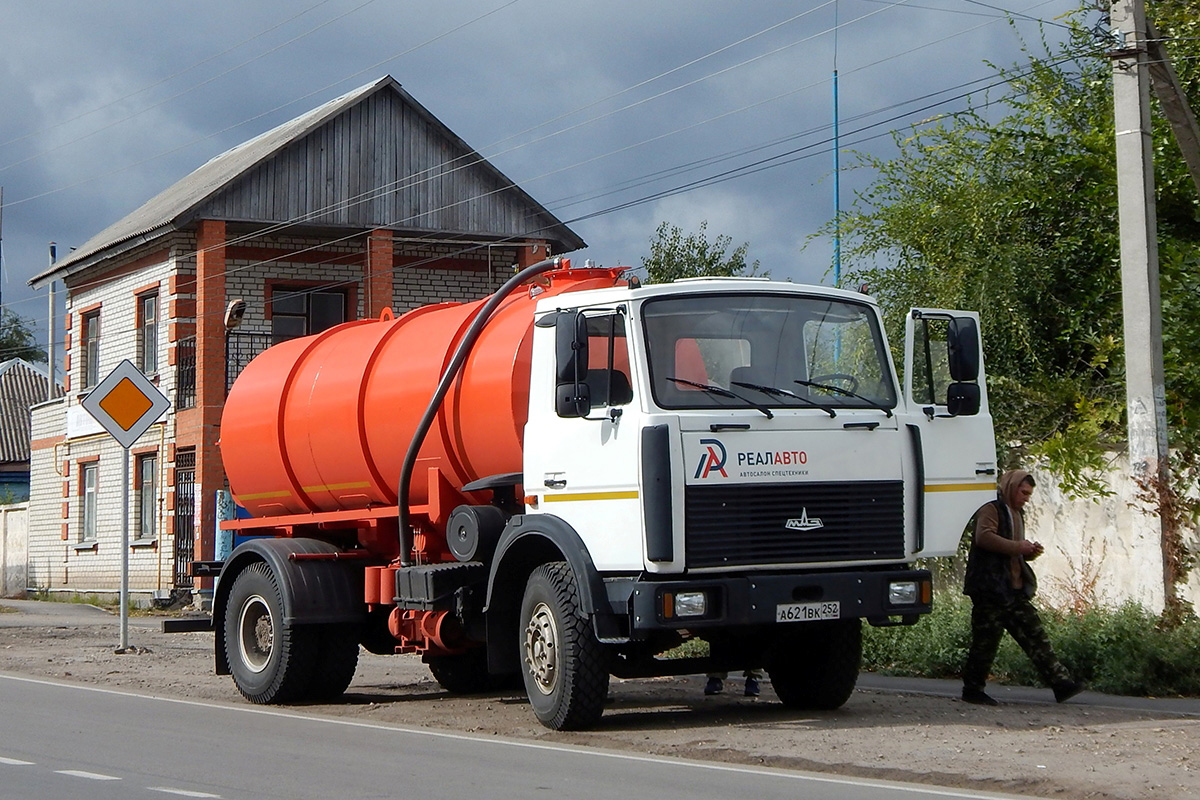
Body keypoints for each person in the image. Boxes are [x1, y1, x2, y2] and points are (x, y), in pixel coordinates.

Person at [961, 469, 1083, 706]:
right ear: (1011, 487)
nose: (1026, 497)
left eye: (1029, 494)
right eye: (1023, 492)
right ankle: (972, 689)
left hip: (1013, 589)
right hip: (990, 590)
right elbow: (983, 537)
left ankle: (1061, 683)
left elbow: (1012, 550)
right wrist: (1020, 547)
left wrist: (1029, 553)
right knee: (985, 642)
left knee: (1036, 636)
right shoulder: (991, 508)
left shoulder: (1017, 513)